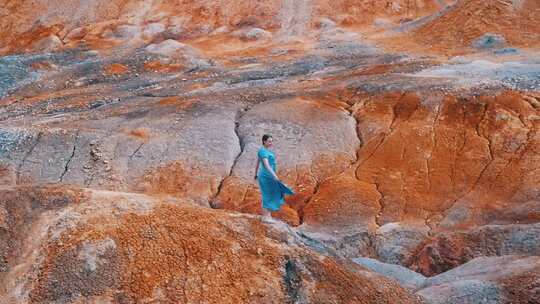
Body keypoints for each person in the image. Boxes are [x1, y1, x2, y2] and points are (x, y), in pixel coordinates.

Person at [254, 134, 294, 223]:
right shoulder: (263, 151)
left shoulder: (265, 151)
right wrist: (275, 176)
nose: (271, 143)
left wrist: (256, 173)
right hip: (267, 175)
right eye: (269, 141)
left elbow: (257, 163)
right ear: (264, 141)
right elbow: (267, 165)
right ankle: (265, 217)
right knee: (267, 194)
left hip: (268, 175)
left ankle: (268, 215)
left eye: (272, 141)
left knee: (272, 193)